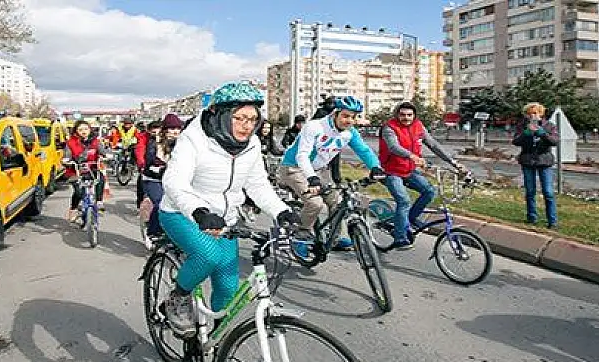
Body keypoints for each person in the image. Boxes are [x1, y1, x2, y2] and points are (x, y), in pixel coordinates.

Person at [159, 81, 300, 336]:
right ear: (221, 116)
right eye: (240, 118)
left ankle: (217, 342)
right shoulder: (194, 140)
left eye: (253, 119)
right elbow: (174, 181)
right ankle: (177, 297)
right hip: (182, 213)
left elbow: (257, 185)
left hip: (224, 219)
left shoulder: (252, 144)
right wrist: (200, 212)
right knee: (208, 256)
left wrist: (281, 211)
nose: (247, 125)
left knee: (228, 289)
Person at [278, 95, 385, 252]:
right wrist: (312, 178)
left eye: (353, 117)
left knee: (338, 201)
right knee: (315, 203)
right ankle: (301, 235)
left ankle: (333, 238)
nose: (349, 120)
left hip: (319, 170)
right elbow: (302, 155)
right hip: (294, 168)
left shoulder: (350, 133)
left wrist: (375, 167)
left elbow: (364, 150)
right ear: (335, 113)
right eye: (345, 116)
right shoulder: (315, 127)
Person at [379, 102, 466, 250]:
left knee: (430, 191)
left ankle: (410, 218)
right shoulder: (389, 128)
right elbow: (393, 147)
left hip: (410, 170)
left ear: (414, 115)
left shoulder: (419, 127)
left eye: (409, 115)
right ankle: (400, 238)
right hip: (391, 171)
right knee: (404, 201)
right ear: (396, 115)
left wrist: (454, 163)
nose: (406, 118)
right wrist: (412, 156)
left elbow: (433, 145)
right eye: (402, 115)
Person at [135, 114, 183, 247]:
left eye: (178, 128)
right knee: (161, 203)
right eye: (172, 128)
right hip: (153, 179)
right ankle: (152, 232)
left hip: (173, 180)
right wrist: (160, 168)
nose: (175, 131)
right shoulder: (155, 144)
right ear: (165, 129)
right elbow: (149, 163)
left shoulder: (184, 143)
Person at [512, 102, 559, 229]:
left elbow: (555, 141)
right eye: (530, 113)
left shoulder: (549, 126)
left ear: (541, 113)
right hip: (528, 160)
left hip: (544, 161)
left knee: (548, 192)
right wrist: (527, 133)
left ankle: (552, 221)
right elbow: (515, 141)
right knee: (530, 191)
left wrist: (542, 133)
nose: (533, 115)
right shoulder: (522, 126)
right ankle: (532, 217)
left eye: (536, 113)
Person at [64, 120, 106, 222]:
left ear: (90, 130)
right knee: (78, 191)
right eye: (80, 129)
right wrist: (67, 160)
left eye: (86, 129)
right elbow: (67, 156)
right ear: (76, 131)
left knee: (100, 178)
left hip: (92, 169)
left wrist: (105, 156)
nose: (83, 131)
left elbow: (103, 152)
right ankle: (73, 209)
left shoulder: (95, 141)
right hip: (76, 171)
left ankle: (99, 201)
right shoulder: (71, 142)